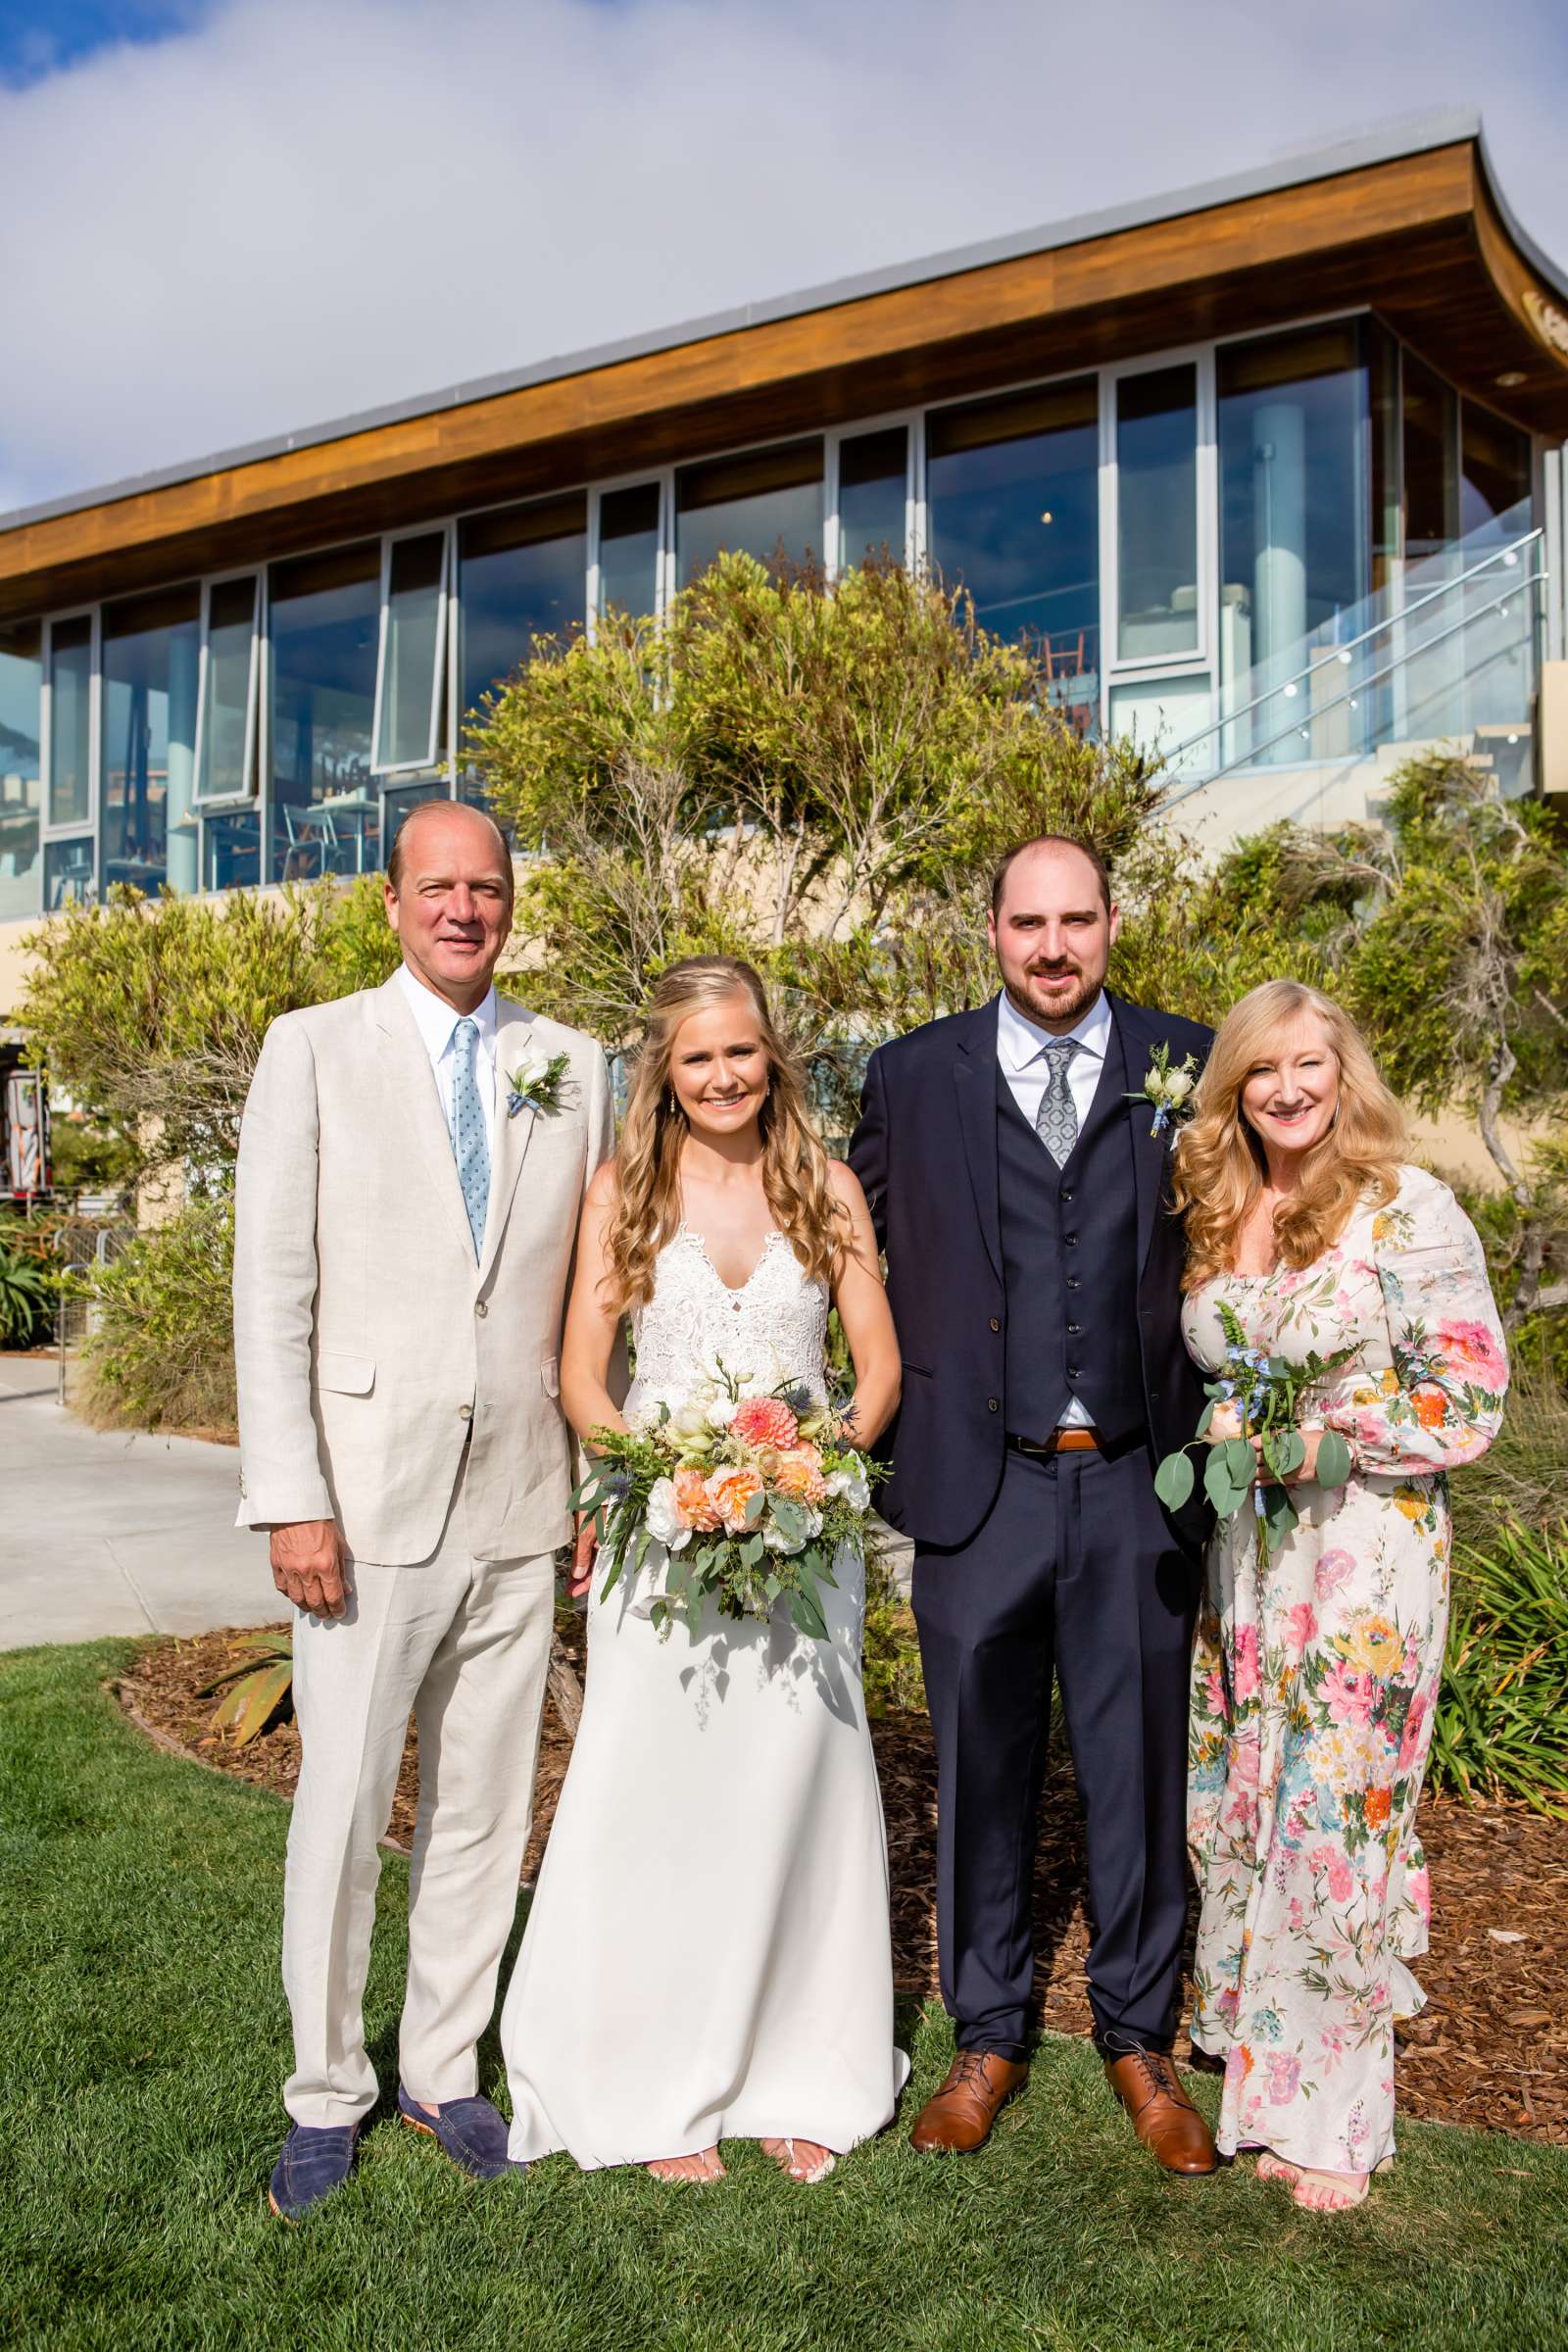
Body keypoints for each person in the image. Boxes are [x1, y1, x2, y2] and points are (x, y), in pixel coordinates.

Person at [232, 800, 615, 2220]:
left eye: (489, 887)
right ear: (391, 902)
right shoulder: (312, 1047)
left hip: (521, 1495)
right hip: (361, 1503)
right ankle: (325, 2090)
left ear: (514, 902)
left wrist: (596, 1479)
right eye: (438, 886)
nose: (465, 908)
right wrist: (290, 1496)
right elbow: (272, 1295)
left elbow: (598, 1296)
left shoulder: (573, 1065)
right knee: (337, 1812)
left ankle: (442, 2070)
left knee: (482, 1807)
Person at [501, 956, 908, 2182]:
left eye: (740, 1051)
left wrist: (805, 1475)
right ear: (664, 1075)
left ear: (769, 1056)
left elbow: (877, 1371)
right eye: (697, 1057)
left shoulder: (825, 1189)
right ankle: (646, 2075)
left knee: (797, 1794)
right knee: (659, 1796)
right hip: (659, 1542)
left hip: (800, 1547)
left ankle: (796, 2071)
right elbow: (580, 1375)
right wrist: (667, 1480)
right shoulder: (623, 1193)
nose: (723, 1075)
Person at [850, 834, 1218, 2174]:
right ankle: (986, 2035)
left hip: (1135, 1476)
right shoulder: (910, 1076)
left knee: (1136, 1773)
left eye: (1077, 921)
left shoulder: (1193, 1059)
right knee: (980, 1775)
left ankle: (1141, 2040)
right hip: (975, 1479)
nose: (1052, 947)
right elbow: (844, 1248)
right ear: (990, 930)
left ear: (1113, 923)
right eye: (1028, 924)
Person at [1177, 980, 1507, 2212]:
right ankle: (1260, 2064)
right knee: (1250, 1794)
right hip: (1253, 1561)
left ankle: (1331, 2117)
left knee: (1336, 1814)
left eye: (1309, 1064)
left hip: (1363, 1556)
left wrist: (1330, 1431)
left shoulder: (1404, 1209)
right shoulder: (1218, 1208)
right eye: (1262, 1069)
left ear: (1344, 1074)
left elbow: (1467, 1396)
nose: (1287, 1088)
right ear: (1234, 1087)